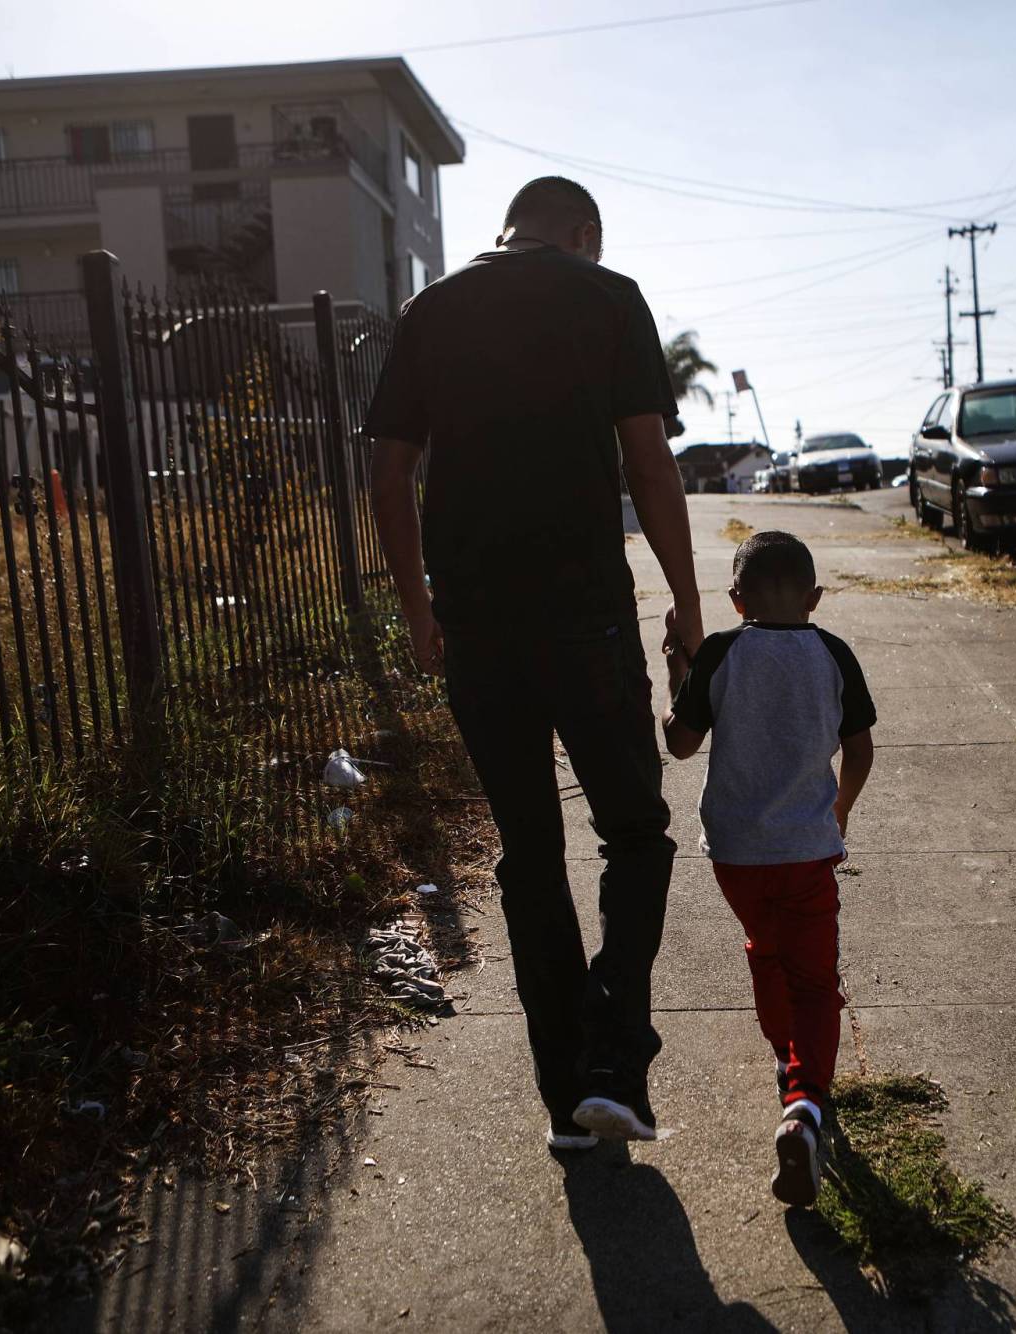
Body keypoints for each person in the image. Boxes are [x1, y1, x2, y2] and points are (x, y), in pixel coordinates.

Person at [367, 176, 702, 1151]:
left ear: (504, 227)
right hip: (586, 619)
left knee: (529, 854)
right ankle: (611, 1057)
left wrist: (416, 608)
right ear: (582, 232)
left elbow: (388, 472)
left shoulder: (429, 309)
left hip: (475, 628)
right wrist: (682, 597)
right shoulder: (607, 296)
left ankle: (565, 1101)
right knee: (635, 830)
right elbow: (648, 460)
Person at [661, 531, 876, 1207]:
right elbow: (860, 748)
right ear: (815, 598)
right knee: (815, 982)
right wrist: (839, 809)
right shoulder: (834, 653)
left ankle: (787, 1063)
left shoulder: (723, 652)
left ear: (735, 599)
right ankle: (804, 1103)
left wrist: (677, 669)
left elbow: (682, 742)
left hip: (736, 855)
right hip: (808, 849)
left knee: (765, 950)